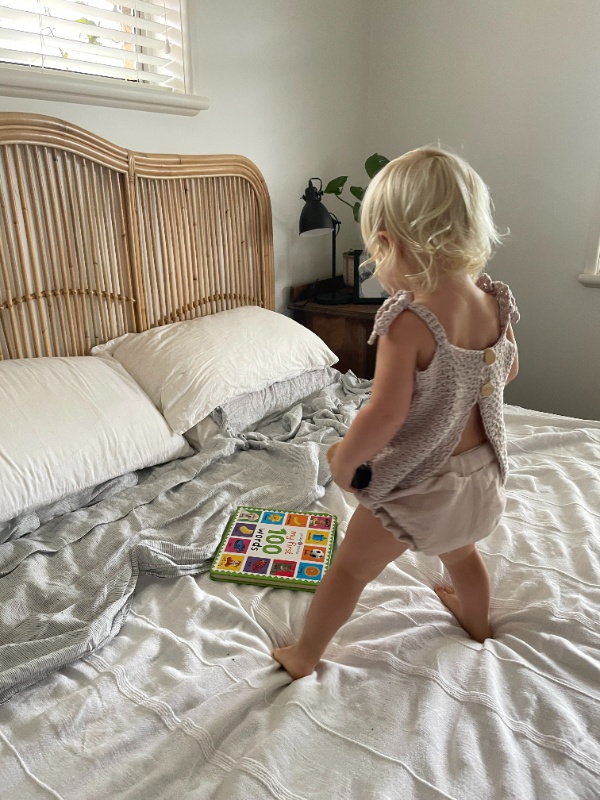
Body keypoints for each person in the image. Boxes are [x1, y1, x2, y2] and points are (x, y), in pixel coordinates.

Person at [273, 146, 519, 680]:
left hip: (421, 487)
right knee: (462, 558)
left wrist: (343, 461)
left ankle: (304, 655)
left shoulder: (409, 320)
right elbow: (506, 372)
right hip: (481, 476)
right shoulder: (492, 300)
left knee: (347, 571)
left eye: (374, 254)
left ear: (388, 242)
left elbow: (384, 415)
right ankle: (478, 624)